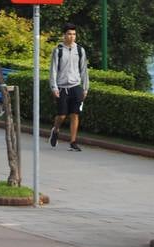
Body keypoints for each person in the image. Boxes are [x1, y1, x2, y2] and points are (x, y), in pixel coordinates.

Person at [48, 23, 89, 152]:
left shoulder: (80, 50)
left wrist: (85, 88)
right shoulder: (58, 50)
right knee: (61, 116)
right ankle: (55, 130)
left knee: (75, 114)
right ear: (64, 35)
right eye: (69, 34)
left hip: (75, 86)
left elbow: (84, 70)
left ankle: (73, 142)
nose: (72, 37)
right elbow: (53, 70)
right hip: (61, 87)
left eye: (74, 34)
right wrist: (54, 87)